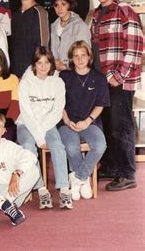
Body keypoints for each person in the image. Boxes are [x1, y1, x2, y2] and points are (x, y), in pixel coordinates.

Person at [90, 0, 144, 191]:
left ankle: (126, 173)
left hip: (119, 80)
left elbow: (135, 46)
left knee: (121, 126)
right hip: (102, 81)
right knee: (108, 125)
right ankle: (111, 167)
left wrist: (118, 76)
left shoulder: (125, 11)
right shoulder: (96, 14)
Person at [16, 46, 72, 209]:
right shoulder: (25, 83)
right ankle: (41, 189)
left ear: (51, 64)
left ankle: (64, 189)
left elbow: (56, 112)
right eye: (39, 63)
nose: (43, 67)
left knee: (57, 145)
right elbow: (26, 113)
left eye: (47, 62)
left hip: (48, 124)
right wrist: (39, 139)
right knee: (28, 146)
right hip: (26, 124)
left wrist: (42, 133)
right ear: (34, 64)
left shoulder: (58, 82)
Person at [59, 41, 109, 200]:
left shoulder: (99, 79)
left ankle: (79, 177)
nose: (80, 59)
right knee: (72, 147)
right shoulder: (64, 77)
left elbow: (100, 105)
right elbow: (58, 103)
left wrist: (87, 121)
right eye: (76, 56)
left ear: (89, 57)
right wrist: (66, 120)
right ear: (71, 59)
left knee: (101, 145)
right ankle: (84, 181)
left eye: (83, 55)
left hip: (90, 122)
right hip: (68, 123)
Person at [9, 0, 49, 77]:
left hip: (34, 72)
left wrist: (37, 72)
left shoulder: (40, 12)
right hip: (17, 72)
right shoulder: (15, 15)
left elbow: (43, 46)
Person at [50, 0, 91, 71]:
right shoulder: (52, 26)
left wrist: (66, 66)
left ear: (70, 4)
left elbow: (86, 55)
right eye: (56, 5)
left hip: (74, 72)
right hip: (55, 73)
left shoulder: (79, 26)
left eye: (63, 4)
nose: (59, 8)